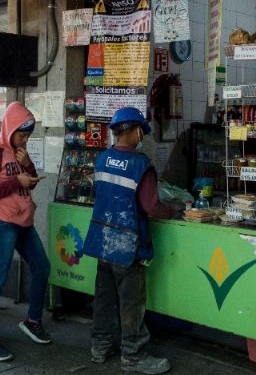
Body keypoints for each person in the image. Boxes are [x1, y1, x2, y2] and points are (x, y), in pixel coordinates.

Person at [84, 107, 172, 374]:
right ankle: (133, 355)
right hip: (127, 244)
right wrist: (175, 209)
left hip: (103, 239)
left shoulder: (101, 160)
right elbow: (151, 206)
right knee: (131, 301)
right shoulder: (140, 165)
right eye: (140, 132)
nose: (140, 136)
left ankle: (100, 347)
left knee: (104, 298)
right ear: (134, 131)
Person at [0, 102, 50, 362]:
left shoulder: (20, 151)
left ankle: (32, 320)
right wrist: (15, 182)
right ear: (9, 129)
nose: (24, 139)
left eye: (28, 135)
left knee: (42, 268)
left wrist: (28, 167)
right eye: (21, 134)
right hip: (2, 222)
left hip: (25, 221)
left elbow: (28, 181)